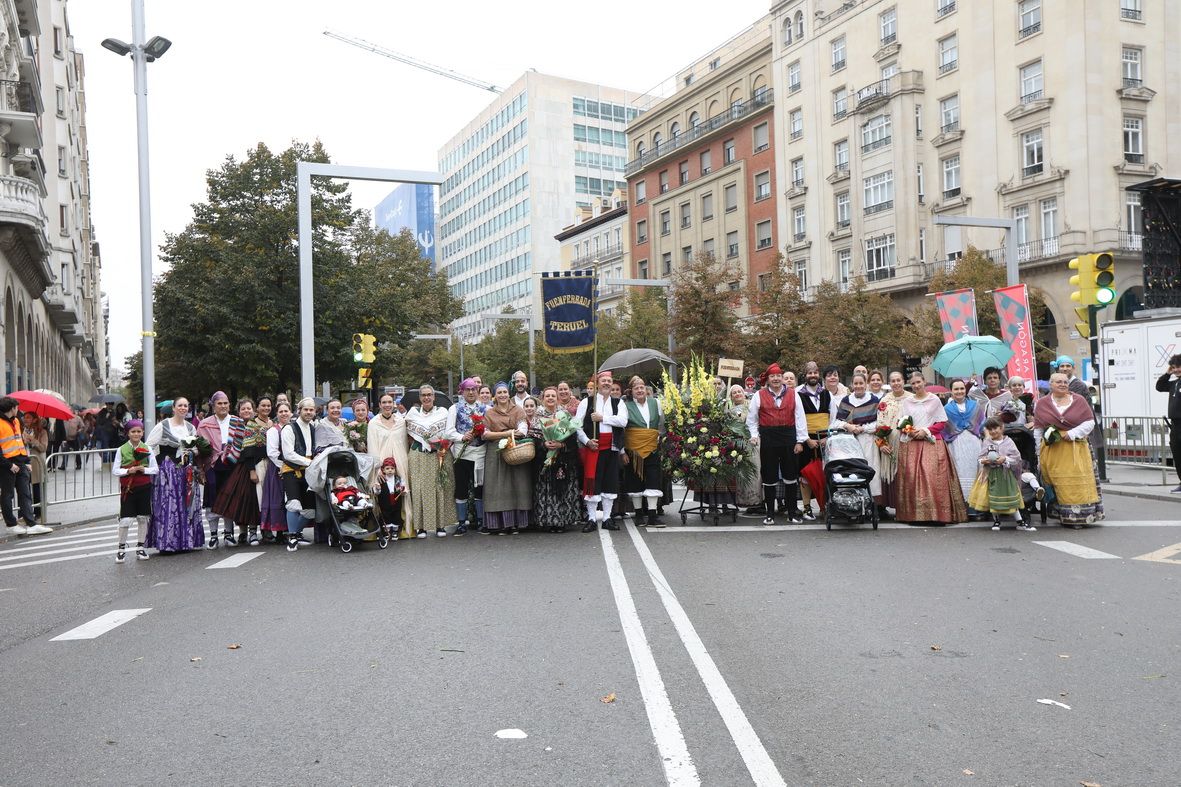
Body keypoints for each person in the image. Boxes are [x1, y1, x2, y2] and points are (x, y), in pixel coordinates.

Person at [1034, 373, 1104, 527]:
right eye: (1058, 382)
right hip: (1053, 449)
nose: (1063, 384)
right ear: (1051, 384)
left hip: (1076, 448)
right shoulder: (1042, 403)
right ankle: (1061, 514)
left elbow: (1090, 422)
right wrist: (1038, 452)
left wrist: (1071, 433)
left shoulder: (1079, 400)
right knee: (1058, 482)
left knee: (1077, 482)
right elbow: (1038, 429)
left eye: (1065, 382)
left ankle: (1080, 517)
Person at [896, 373, 967, 524]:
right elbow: (901, 422)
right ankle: (914, 516)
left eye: (918, 382)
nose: (916, 385)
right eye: (913, 383)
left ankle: (938, 515)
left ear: (924, 382)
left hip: (932, 441)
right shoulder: (907, 402)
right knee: (912, 478)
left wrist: (925, 431)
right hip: (912, 442)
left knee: (934, 477)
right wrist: (911, 431)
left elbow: (942, 422)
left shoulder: (934, 400)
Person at [747, 363, 808, 524]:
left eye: (778, 376)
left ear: (782, 378)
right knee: (769, 476)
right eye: (772, 376)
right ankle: (770, 514)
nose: (776, 379)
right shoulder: (759, 395)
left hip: (789, 437)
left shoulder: (793, 394)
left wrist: (800, 441)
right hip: (768, 438)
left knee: (790, 476)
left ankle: (792, 513)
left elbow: (800, 418)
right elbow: (752, 419)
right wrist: (754, 435)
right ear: (767, 379)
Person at [144, 397, 204, 552]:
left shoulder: (191, 427)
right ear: (173, 408)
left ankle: (185, 541)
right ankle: (168, 542)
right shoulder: (163, 425)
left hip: (186, 471)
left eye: (185, 405)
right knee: (169, 504)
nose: (183, 408)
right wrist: (157, 462)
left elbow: (196, 448)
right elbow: (148, 446)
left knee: (186, 504)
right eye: (180, 405)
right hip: (168, 471)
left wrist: (193, 451)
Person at [576, 370, 628, 532]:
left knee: (610, 483)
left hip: (612, 448)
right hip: (593, 447)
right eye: (603, 380)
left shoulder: (618, 403)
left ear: (612, 384)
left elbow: (623, 421)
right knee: (592, 482)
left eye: (609, 381)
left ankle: (607, 518)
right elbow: (576, 425)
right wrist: (587, 441)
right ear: (597, 384)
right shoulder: (587, 402)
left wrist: (603, 418)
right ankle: (591, 519)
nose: (606, 383)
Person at [480, 381, 531, 534]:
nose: (502, 395)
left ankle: (516, 523)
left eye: (504, 392)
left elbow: (522, 430)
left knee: (517, 485)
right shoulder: (489, 413)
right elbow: (485, 434)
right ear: (495, 396)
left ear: (509, 394)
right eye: (499, 393)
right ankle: (498, 523)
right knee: (497, 487)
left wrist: (504, 434)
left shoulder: (518, 410)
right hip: (495, 453)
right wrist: (508, 433)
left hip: (515, 450)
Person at [212, 398, 265, 546]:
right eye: (243, 409)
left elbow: (256, 448)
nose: (246, 411)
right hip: (238, 466)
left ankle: (253, 532)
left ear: (253, 410)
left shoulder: (257, 425)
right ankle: (242, 532)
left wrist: (253, 469)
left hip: (254, 465)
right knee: (240, 501)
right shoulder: (234, 425)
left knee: (253, 500)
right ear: (239, 411)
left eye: (249, 408)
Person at [969, 417, 1037, 532]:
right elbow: (980, 458)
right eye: (990, 429)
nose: (993, 431)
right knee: (993, 497)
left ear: (1001, 428)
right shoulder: (987, 442)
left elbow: (1017, 458)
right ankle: (996, 520)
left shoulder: (1009, 442)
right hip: (992, 475)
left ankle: (1020, 522)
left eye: (995, 428)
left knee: (1011, 497)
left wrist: (1005, 459)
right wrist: (985, 461)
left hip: (1006, 476)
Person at [404, 385, 455, 538]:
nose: (426, 398)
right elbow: (407, 434)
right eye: (423, 395)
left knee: (440, 487)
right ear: (419, 398)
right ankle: (421, 527)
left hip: (438, 454)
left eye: (429, 395)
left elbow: (449, 432)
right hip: (418, 454)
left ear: (433, 397)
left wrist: (443, 446)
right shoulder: (412, 413)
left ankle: (440, 525)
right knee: (419, 489)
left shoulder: (443, 412)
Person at [534, 386, 582, 533]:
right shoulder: (538, 416)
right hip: (545, 460)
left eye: (553, 396)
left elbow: (573, 437)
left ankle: (562, 521)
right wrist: (544, 444)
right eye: (547, 396)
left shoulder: (564, 415)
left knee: (563, 489)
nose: (550, 398)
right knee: (546, 490)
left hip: (563, 460)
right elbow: (533, 439)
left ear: (557, 398)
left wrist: (561, 444)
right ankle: (548, 521)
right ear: (543, 399)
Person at [0, 397, 50, 535]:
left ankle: (31, 523)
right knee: (7, 495)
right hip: (6, 464)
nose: (18, 410)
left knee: (25, 493)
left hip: (20, 462)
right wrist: (9, 465)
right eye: (17, 407)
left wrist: (26, 461)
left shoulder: (16, 421)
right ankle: (11, 524)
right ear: (12, 408)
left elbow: (19, 443)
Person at [367, 392, 413, 539]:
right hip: (382, 464)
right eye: (384, 402)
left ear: (393, 404)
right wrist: (377, 468)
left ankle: (404, 527)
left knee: (401, 493)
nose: (387, 405)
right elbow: (372, 447)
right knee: (383, 496)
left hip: (400, 461)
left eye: (389, 402)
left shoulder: (401, 421)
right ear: (379, 405)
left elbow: (404, 444)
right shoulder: (374, 423)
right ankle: (383, 527)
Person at [445, 378, 488, 536]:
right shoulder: (454, 408)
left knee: (479, 487)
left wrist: (482, 433)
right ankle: (461, 523)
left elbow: (490, 428)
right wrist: (462, 437)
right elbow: (448, 432)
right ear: (462, 392)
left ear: (477, 391)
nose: (471, 392)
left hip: (480, 452)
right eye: (467, 390)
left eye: (473, 389)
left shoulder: (485, 408)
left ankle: (481, 521)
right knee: (461, 487)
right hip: (462, 453)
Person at [112, 419, 158, 562]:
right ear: (128, 433)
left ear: (143, 432)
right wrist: (128, 471)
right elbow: (115, 470)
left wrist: (144, 469)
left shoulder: (147, 448)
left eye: (139, 431)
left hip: (144, 487)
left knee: (143, 518)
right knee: (125, 520)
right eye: (133, 431)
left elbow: (155, 469)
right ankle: (121, 549)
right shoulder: (121, 449)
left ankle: (140, 547)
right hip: (128, 489)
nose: (136, 434)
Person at [622, 375, 665, 527]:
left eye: (642, 387)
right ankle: (639, 515)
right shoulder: (625, 406)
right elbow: (621, 429)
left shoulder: (655, 403)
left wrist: (659, 439)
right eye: (636, 388)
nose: (640, 390)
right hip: (633, 450)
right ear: (631, 391)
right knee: (635, 481)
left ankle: (652, 516)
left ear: (646, 389)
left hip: (652, 447)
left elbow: (662, 424)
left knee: (653, 480)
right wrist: (622, 451)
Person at [197, 391, 237, 548]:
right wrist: (200, 470)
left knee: (229, 498)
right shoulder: (204, 424)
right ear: (213, 406)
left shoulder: (237, 422)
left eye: (225, 403)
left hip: (232, 464)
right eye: (219, 403)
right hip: (212, 465)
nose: (223, 406)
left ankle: (229, 533)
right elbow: (199, 448)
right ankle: (213, 535)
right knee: (212, 499)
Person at [832, 373, 882, 498]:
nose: (858, 386)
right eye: (856, 383)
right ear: (852, 385)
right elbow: (837, 422)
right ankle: (853, 500)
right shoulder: (846, 401)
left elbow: (879, 423)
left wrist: (863, 428)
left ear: (866, 384)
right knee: (853, 471)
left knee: (869, 468)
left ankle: (871, 501)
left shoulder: (874, 400)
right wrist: (848, 426)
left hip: (868, 440)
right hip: (850, 441)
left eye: (861, 383)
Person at [279, 397, 319, 551]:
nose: (308, 412)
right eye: (305, 409)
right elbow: (288, 454)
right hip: (292, 470)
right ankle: (292, 537)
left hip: (309, 470)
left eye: (311, 409)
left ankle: (295, 533)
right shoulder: (289, 428)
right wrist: (310, 462)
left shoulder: (314, 428)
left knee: (310, 510)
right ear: (299, 411)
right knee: (293, 504)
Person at [944, 379, 986, 513]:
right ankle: (961, 508)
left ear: (965, 389)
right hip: (956, 444)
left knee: (975, 470)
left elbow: (982, 424)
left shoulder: (975, 406)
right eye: (956, 389)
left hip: (974, 443)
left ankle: (977, 506)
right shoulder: (946, 409)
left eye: (962, 388)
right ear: (951, 391)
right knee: (959, 471)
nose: (959, 391)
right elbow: (944, 428)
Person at [797, 361, 831, 520]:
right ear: (805, 375)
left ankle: (824, 506)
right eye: (810, 373)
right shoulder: (798, 394)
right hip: (807, 439)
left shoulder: (827, 394)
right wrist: (805, 439)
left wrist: (827, 437)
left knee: (825, 473)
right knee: (806, 473)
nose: (813, 375)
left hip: (825, 439)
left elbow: (833, 417)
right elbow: (797, 419)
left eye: (815, 372)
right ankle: (806, 507)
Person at [727, 385, 763, 514]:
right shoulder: (729, 411)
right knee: (742, 473)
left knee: (755, 471)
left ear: (744, 393)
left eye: (739, 391)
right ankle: (745, 501)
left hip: (753, 442)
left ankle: (757, 502)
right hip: (738, 445)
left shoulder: (751, 406)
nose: (737, 394)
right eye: (734, 393)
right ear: (731, 397)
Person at [259, 402, 290, 542]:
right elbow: (272, 453)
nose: (284, 414)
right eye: (281, 411)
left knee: (291, 499)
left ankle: (292, 530)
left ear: (290, 413)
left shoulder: (293, 428)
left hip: (292, 468)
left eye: (286, 411)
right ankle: (280, 533)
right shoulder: (273, 431)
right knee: (278, 499)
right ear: (277, 414)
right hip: (278, 468)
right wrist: (283, 467)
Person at [1156, 353, 1181, 493]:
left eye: (1178, 367)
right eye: (1174, 367)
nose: (1176, 370)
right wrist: (1167, 373)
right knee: (1177, 455)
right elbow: (1159, 386)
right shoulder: (1174, 383)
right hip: (1175, 425)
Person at [373, 457, 405, 540]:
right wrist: (378, 488)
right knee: (385, 515)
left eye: (392, 468)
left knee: (396, 515)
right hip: (385, 500)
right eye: (387, 468)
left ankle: (395, 531)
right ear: (383, 470)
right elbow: (376, 492)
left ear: (395, 469)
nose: (390, 470)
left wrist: (402, 490)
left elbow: (403, 487)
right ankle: (386, 532)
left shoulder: (398, 479)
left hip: (396, 500)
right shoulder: (381, 479)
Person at [22, 413, 48, 508]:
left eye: (28, 417)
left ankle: (38, 512)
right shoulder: (21, 431)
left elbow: (43, 448)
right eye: (24, 417)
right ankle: (26, 511)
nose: (25, 419)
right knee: (24, 490)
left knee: (37, 489)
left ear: (35, 420)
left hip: (36, 464)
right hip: (24, 463)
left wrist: (32, 440)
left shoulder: (42, 432)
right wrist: (23, 441)